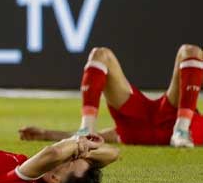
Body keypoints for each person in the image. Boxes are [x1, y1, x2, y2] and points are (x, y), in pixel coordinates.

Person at [20, 45, 203, 148]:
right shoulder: (134, 130)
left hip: (146, 127)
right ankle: (85, 130)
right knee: (100, 54)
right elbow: (110, 135)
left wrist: (49, 134)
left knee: (191, 51)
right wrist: (47, 134)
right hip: (140, 125)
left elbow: (113, 135)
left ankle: (181, 131)